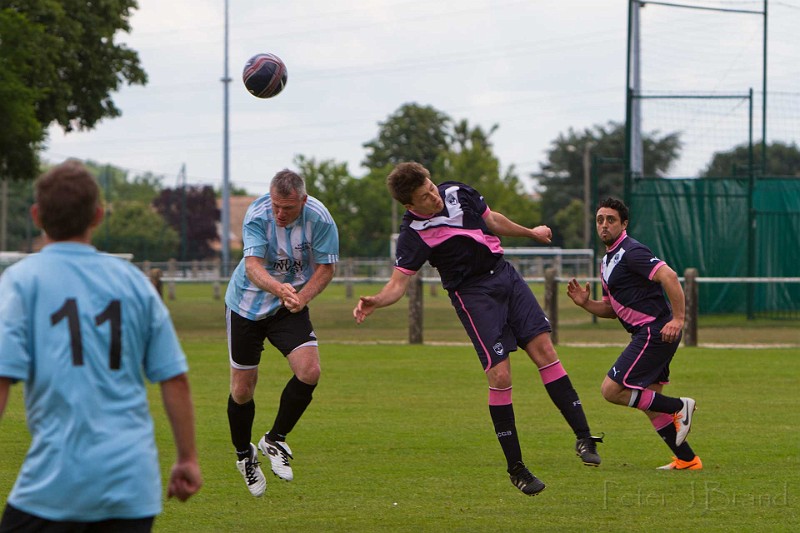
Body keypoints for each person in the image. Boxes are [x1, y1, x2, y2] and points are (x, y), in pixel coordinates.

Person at [353, 162, 602, 497]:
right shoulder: (413, 233)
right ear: (410, 205)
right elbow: (398, 284)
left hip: (505, 277)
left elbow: (493, 220)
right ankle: (517, 468)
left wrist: (531, 232)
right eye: (425, 197)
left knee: (545, 352)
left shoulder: (454, 191)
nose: (434, 196)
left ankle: (584, 437)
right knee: (500, 377)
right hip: (472, 295)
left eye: (431, 186)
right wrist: (376, 301)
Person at [0, 160, 202, 532]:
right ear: (97, 215)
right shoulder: (135, 283)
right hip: (131, 489)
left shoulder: (19, 282)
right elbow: (174, 379)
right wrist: (187, 458)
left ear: (36, 215)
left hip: (52, 489)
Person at [225, 169, 339, 497]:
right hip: (246, 306)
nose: (279, 213)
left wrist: (301, 298)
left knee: (310, 370)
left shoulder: (320, 219)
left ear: (303, 200)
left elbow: (326, 267)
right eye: (276, 205)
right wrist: (281, 288)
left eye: (287, 208)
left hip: (288, 306)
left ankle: (274, 439)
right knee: (243, 390)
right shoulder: (258, 215)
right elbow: (252, 265)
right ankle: (244, 455)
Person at [566, 197, 701, 470]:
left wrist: (678, 318)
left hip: (653, 331)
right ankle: (687, 460)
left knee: (611, 390)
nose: (604, 225)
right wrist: (585, 304)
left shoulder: (632, 251)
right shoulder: (607, 260)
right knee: (651, 404)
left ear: (624, 224)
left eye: (611, 220)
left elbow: (670, 277)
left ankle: (679, 406)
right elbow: (611, 309)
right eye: (600, 220)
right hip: (650, 334)